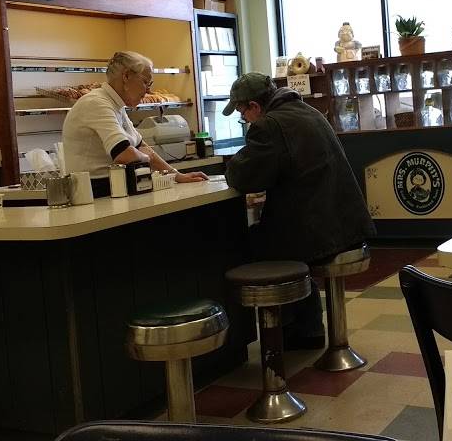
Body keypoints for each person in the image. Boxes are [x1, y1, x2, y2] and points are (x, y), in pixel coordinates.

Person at [223, 72, 375, 349]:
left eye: (242, 114)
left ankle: (285, 330)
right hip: (346, 222)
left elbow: (242, 176)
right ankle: (309, 327)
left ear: (254, 106)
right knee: (277, 240)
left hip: (319, 232)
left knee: (250, 244)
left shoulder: (269, 125)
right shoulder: (307, 111)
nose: (245, 120)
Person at [63, 50, 207, 197]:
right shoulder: (96, 103)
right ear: (126, 76)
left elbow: (141, 147)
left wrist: (177, 175)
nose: (148, 90)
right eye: (145, 82)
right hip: (94, 193)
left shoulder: (116, 105)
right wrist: (144, 157)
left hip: (114, 188)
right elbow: (124, 154)